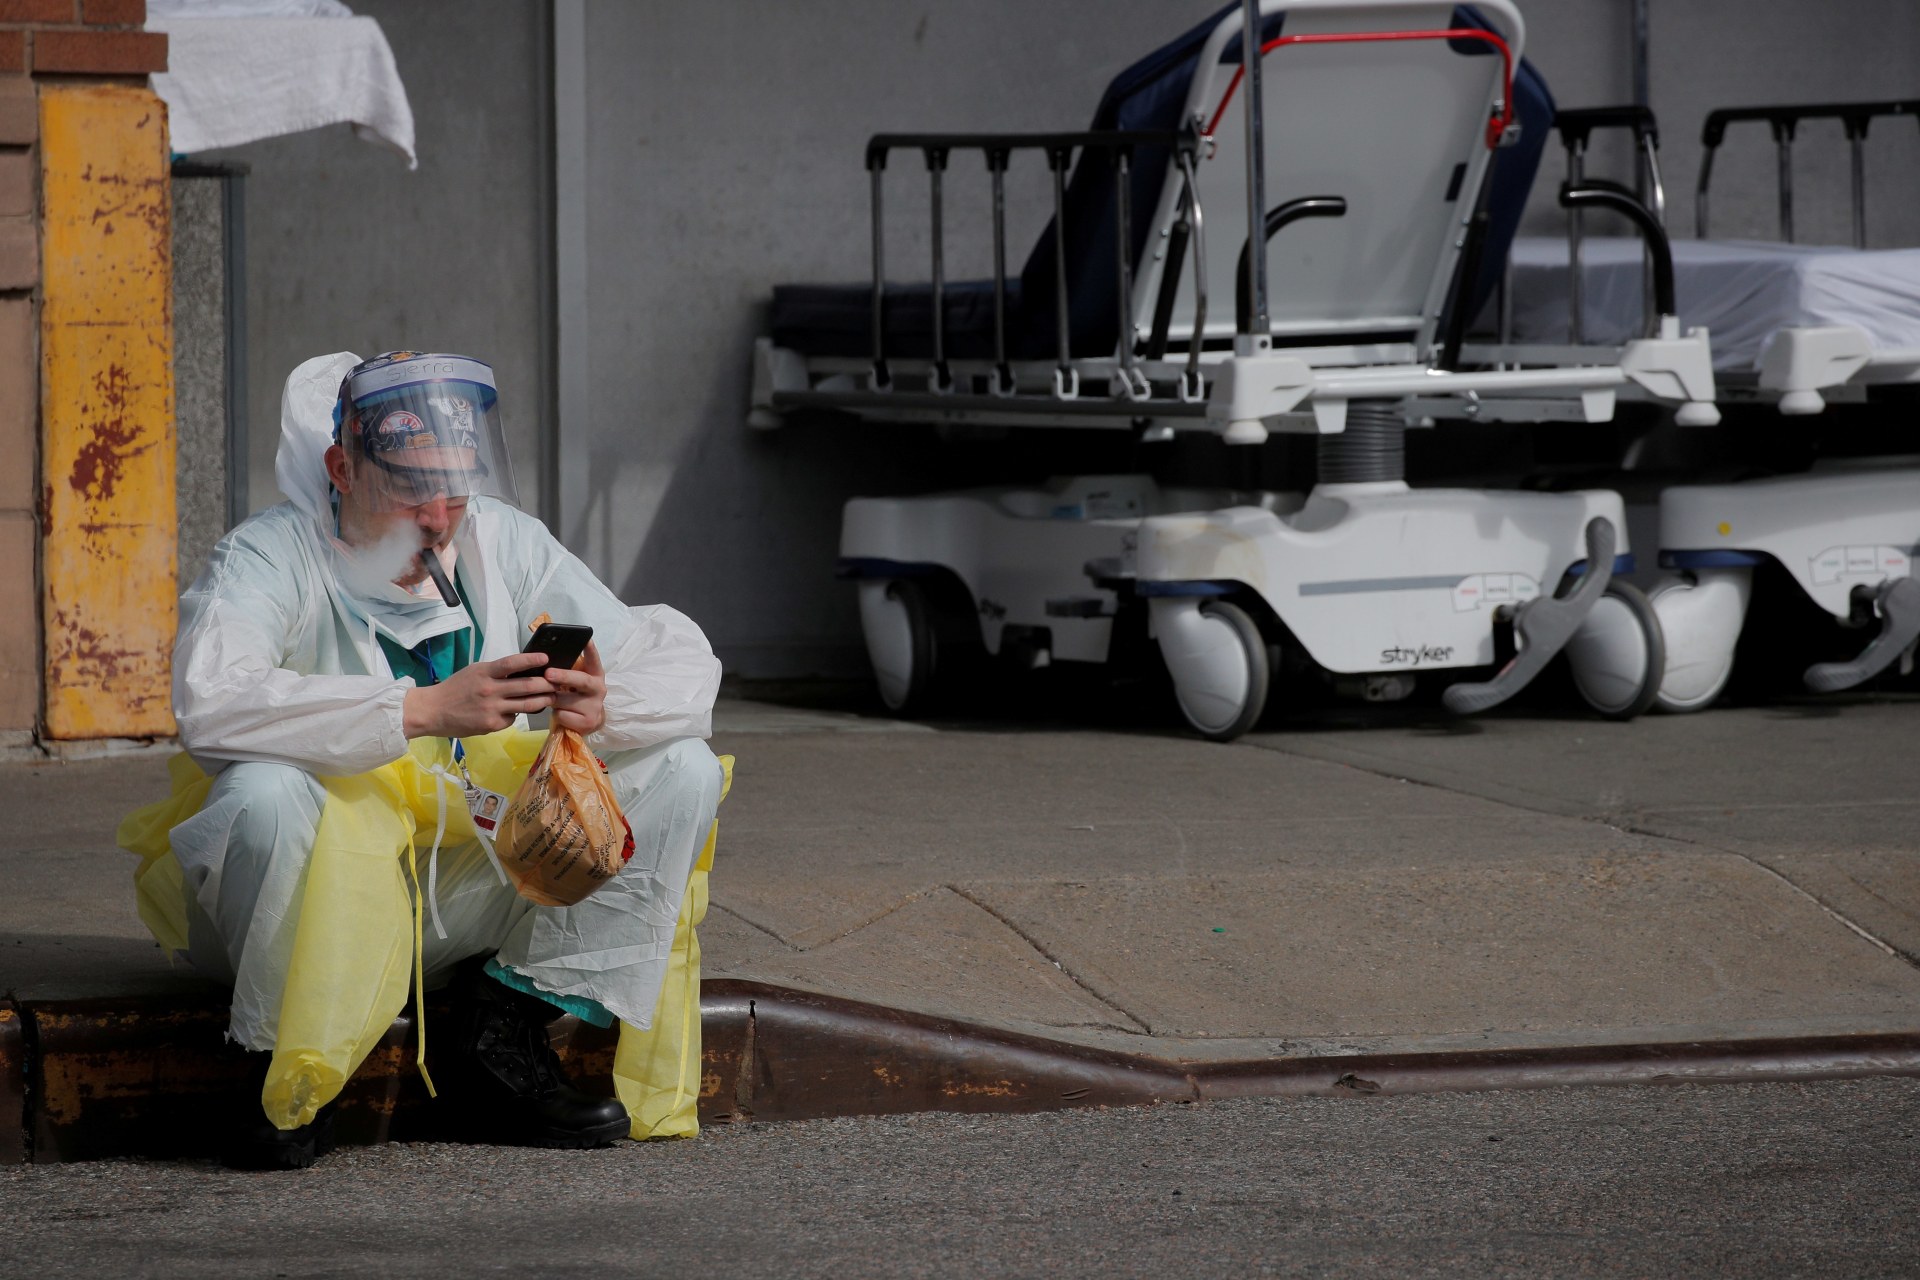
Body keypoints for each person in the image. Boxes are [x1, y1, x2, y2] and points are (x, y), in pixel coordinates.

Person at [151, 351, 723, 1169]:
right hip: (309, 902)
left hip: (466, 883)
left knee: (682, 769)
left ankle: (502, 1029)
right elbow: (209, 698)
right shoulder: (270, 555)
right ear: (341, 470)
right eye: (410, 492)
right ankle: (278, 1065)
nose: (439, 520)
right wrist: (420, 710)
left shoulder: (499, 542)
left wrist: (606, 704)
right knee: (265, 793)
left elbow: (676, 660)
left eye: (454, 491)